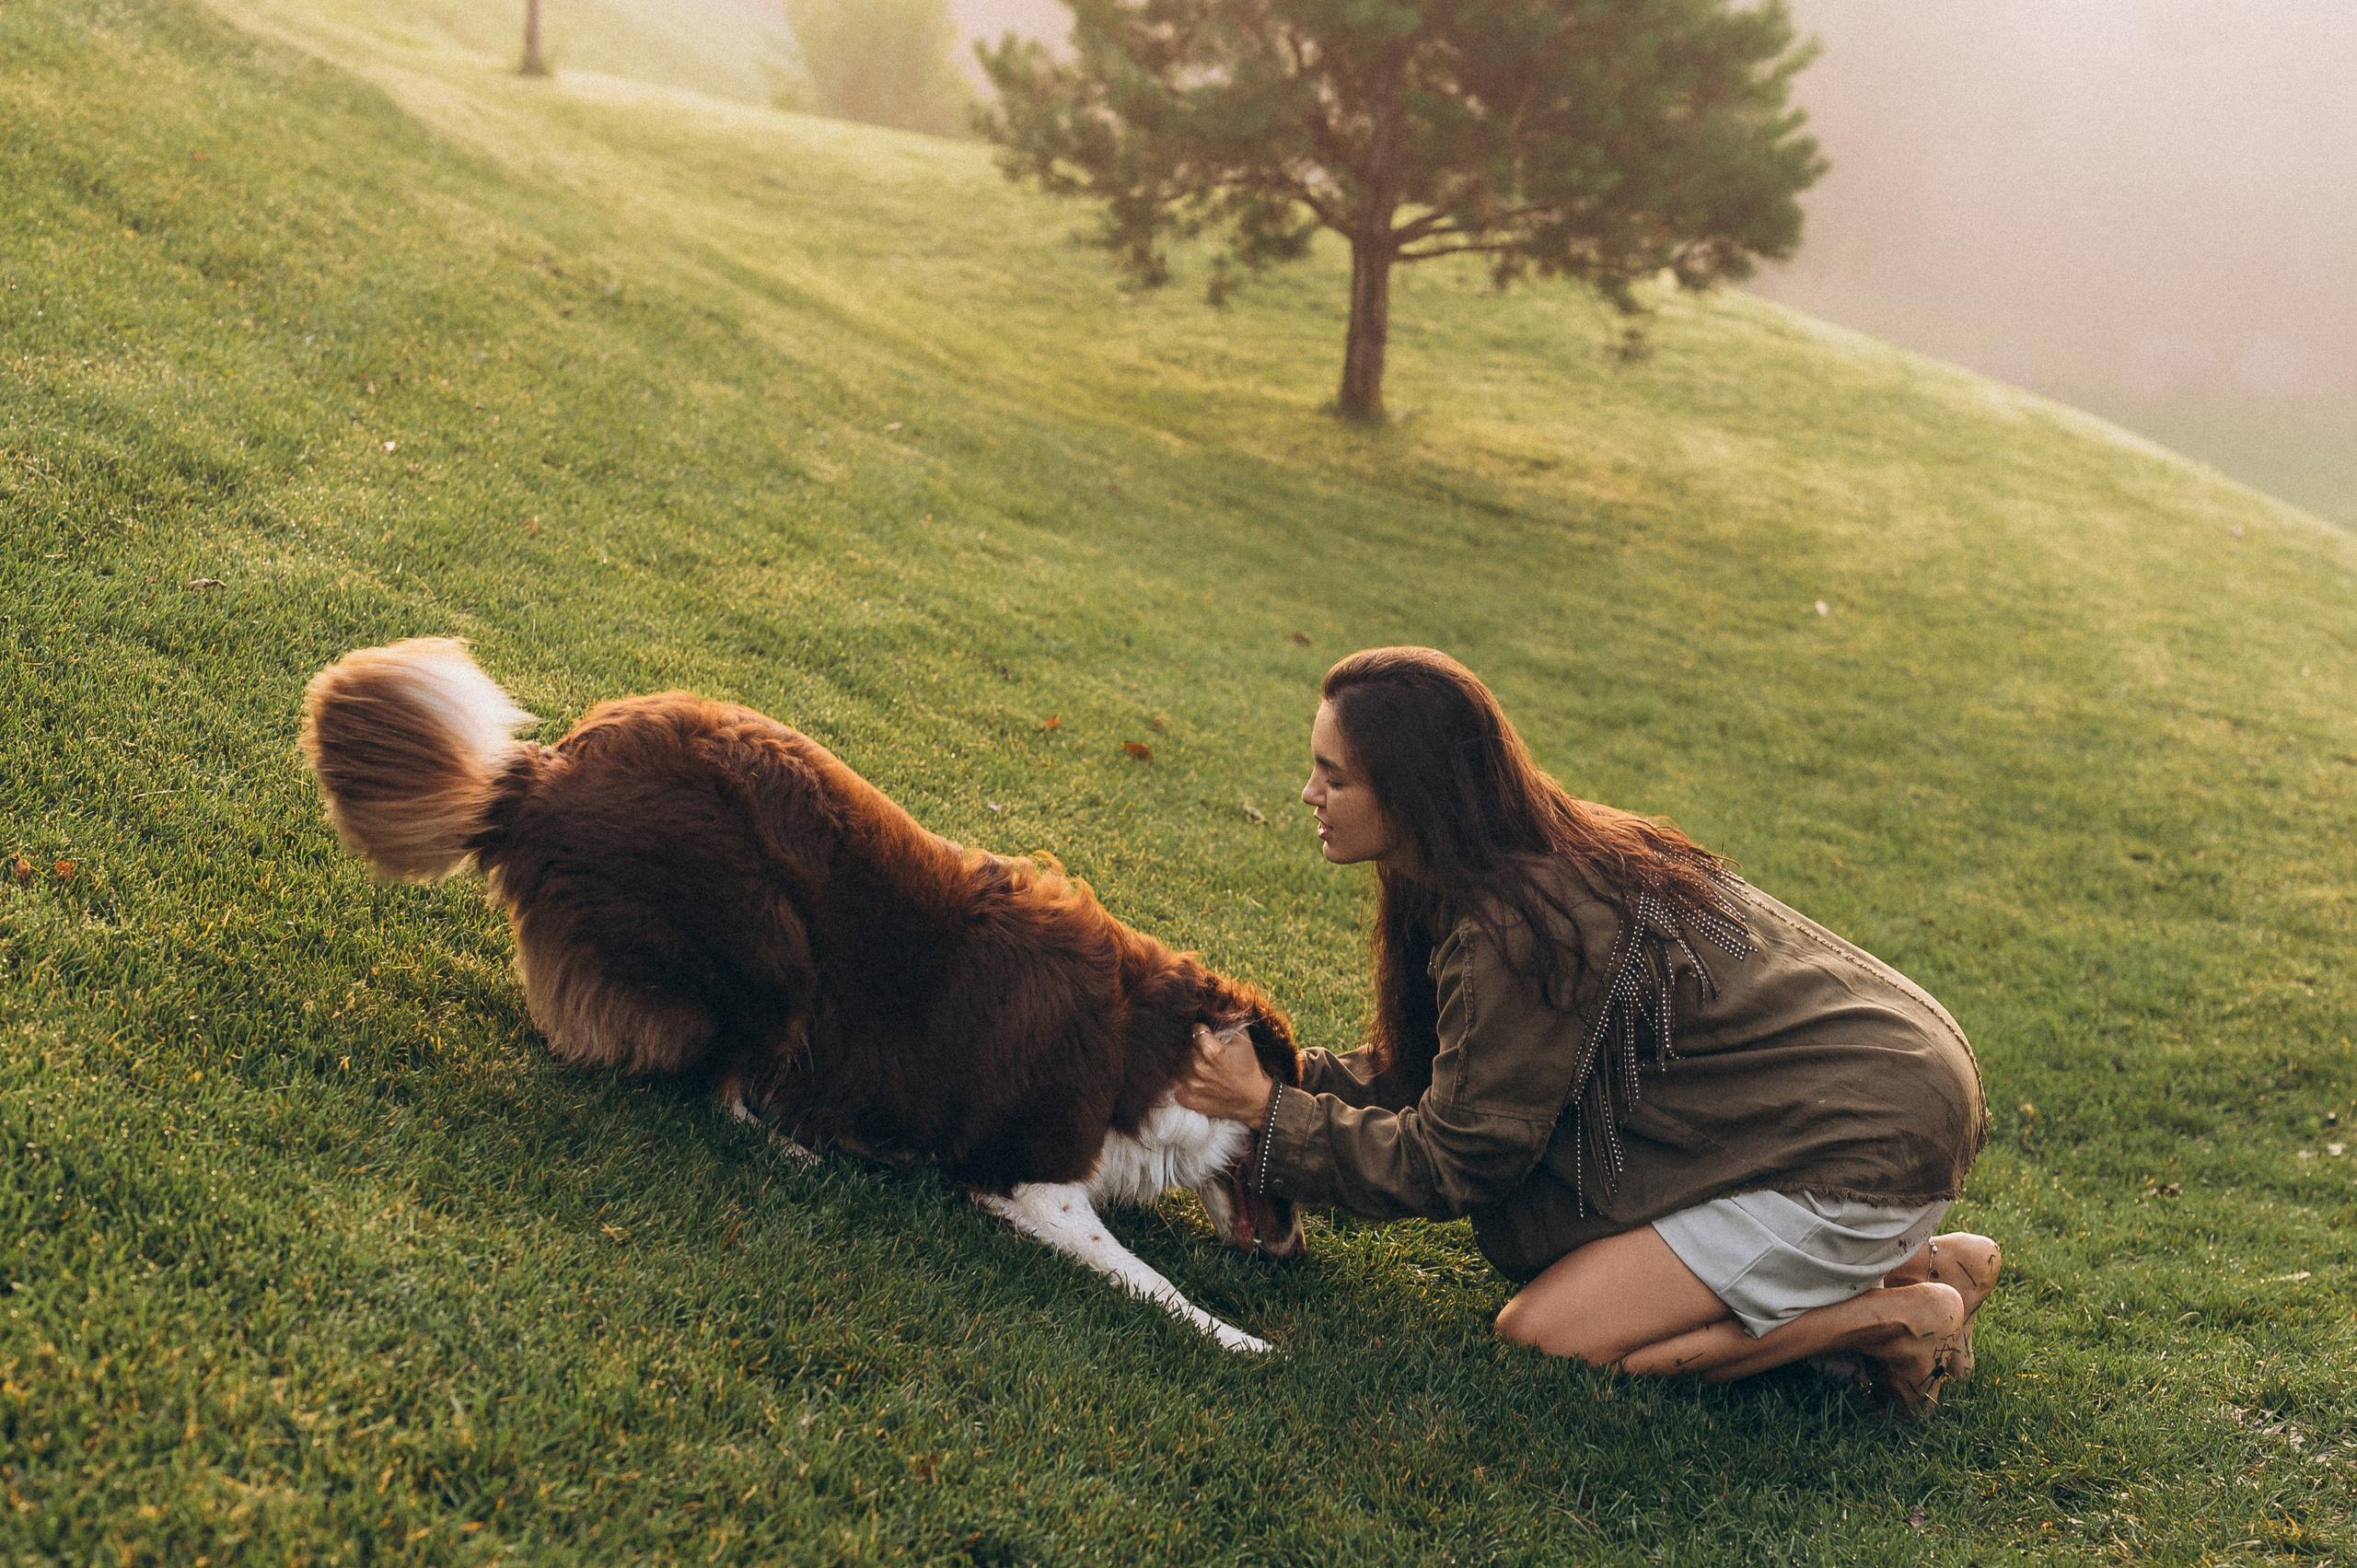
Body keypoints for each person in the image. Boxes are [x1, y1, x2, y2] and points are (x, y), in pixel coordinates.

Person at [1177, 647, 1999, 1413]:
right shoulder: (1488, 856)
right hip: (1882, 1086)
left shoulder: (1521, 925)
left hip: (1868, 1139)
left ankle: (1895, 1319)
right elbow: (1440, 1073)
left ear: (1413, 793)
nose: (1309, 794)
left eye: (1335, 777)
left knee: (1550, 1333)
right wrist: (1282, 1076)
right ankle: (1922, 1260)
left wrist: (1269, 1113)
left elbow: (1456, 1159)